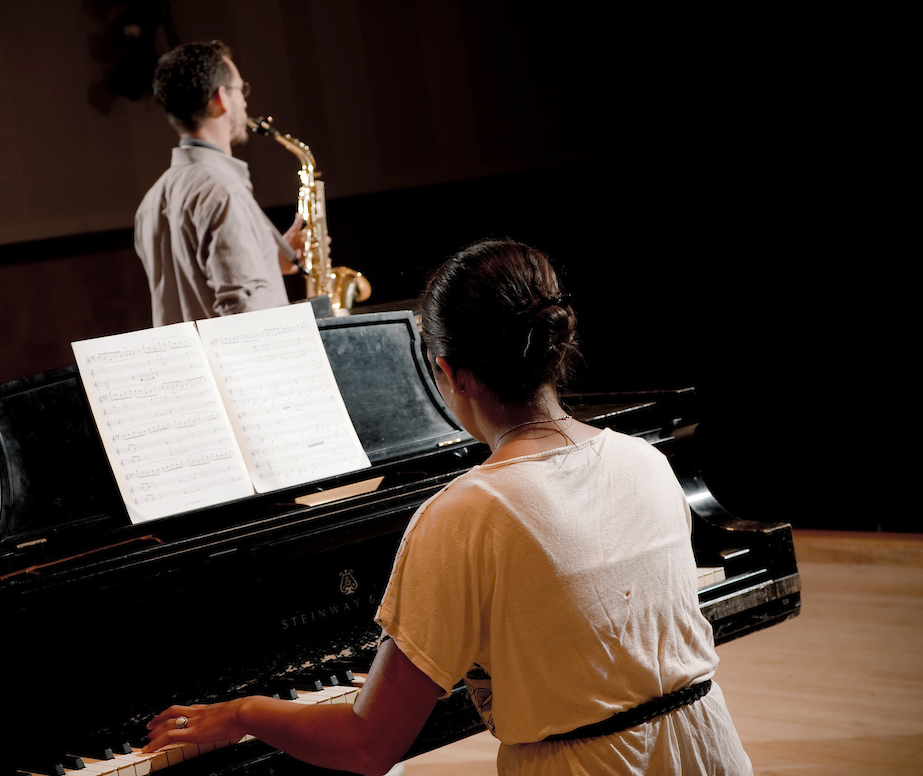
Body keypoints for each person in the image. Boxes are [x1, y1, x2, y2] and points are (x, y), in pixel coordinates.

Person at [141, 239, 753, 775]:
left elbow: (367, 745)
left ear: (450, 374)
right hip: (711, 752)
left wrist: (246, 711)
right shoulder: (644, 460)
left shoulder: (466, 515)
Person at [135, 40, 303, 326]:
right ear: (221, 98)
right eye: (241, 90)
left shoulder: (151, 201)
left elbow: (196, 290)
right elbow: (248, 319)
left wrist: (267, 260)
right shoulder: (223, 192)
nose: (245, 102)